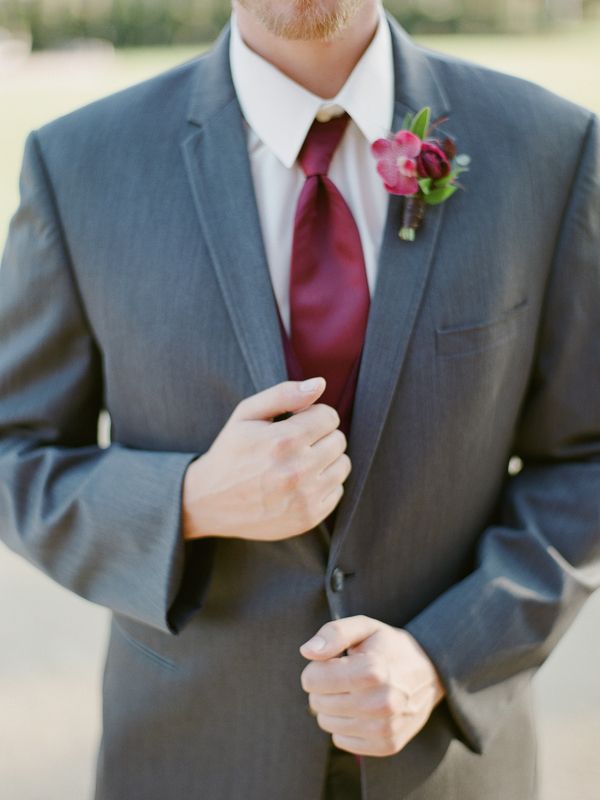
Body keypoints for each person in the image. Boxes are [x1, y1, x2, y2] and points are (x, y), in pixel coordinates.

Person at [0, 1, 598, 798]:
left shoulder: (549, 148)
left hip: (449, 771)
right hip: (188, 762)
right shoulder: (77, 163)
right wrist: (185, 501)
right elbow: (14, 447)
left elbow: (586, 456)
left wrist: (445, 658)